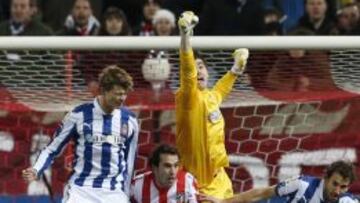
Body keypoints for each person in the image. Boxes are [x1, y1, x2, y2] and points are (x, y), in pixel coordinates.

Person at [22, 65, 140, 203]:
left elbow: (130, 161)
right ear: (104, 91)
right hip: (81, 190)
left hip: (113, 192)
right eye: (117, 93)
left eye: (124, 94)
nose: (122, 98)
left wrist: (125, 193)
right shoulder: (79, 115)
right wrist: (36, 169)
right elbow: (51, 149)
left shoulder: (130, 120)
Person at [175, 11, 249, 199]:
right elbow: (187, 71)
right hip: (195, 186)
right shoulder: (187, 97)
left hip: (220, 180)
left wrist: (235, 70)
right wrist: (185, 37)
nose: (198, 70)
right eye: (195, 66)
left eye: (201, 66)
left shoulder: (212, 97)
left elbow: (221, 89)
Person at [199, 160, 359, 203]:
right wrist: (223, 202)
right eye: (335, 184)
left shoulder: (348, 201)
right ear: (325, 178)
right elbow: (262, 192)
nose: (337, 191)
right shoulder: (302, 185)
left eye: (343, 187)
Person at [130, 144, 198, 203]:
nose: (173, 172)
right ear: (154, 168)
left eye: (176, 165)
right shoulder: (138, 186)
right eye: (167, 166)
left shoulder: (187, 181)